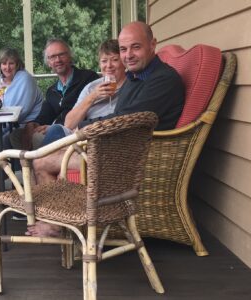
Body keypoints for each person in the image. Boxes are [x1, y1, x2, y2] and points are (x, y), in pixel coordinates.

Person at [28, 22, 185, 237]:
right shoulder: (136, 77)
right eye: (123, 49)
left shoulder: (162, 80)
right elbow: (119, 119)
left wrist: (81, 130)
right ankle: (57, 218)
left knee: (41, 161)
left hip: (131, 158)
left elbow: (125, 121)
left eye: (135, 47)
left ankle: (54, 224)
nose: (128, 55)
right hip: (117, 149)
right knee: (41, 156)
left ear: (152, 45)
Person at [10, 38, 99, 151]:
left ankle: (38, 164)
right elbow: (44, 115)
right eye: (52, 57)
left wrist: (53, 127)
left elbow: (93, 111)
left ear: (70, 57)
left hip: (78, 133)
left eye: (61, 55)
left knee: (54, 130)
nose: (57, 60)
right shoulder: (52, 91)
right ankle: (33, 164)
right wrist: (32, 124)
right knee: (16, 135)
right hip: (55, 134)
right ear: (48, 63)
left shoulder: (88, 78)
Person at [39, 39, 126, 146]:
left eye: (115, 59)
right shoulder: (91, 87)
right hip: (83, 139)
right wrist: (93, 96)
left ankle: (38, 161)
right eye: (104, 61)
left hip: (106, 139)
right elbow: (69, 123)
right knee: (54, 131)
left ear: (124, 61)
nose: (108, 65)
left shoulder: (130, 86)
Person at [0, 48, 44, 169]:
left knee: (1, 139)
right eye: (4, 63)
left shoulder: (24, 78)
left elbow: (21, 111)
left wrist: (0, 125)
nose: (7, 67)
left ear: (18, 64)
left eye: (11, 63)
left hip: (24, 123)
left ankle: (5, 177)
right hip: (3, 123)